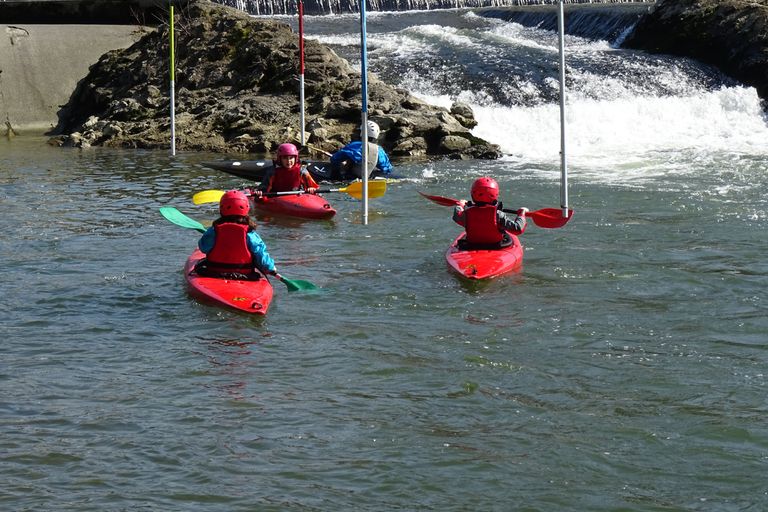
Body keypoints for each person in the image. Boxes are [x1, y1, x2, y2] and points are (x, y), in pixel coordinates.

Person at [196, 190, 277, 279]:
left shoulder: (213, 231)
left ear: (222, 209)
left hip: (214, 273)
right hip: (245, 275)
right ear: (246, 208)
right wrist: (270, 267)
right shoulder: (250, 234)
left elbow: (203, 248)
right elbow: (260, 254)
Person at [452, 177, 528, 249]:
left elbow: (457, 215)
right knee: (506, 234)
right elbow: (517, 229)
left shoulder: (467, 213)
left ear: (473, 193)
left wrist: (461, 205)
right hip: (496, 246)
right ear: (495, 195)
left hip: (472, 245)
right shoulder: (498, 214)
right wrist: (521, 214)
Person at [252, 143, 319, 198]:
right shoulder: (273, 171)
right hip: (276, 197)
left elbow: (313, 187)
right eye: (285, 158)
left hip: (297, 197)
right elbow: (264, 188)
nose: (289, 161)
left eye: (291, 158)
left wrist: (311, 189)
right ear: (280, 159)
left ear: (296, 158)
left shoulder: (302, 171)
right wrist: (260, 193)